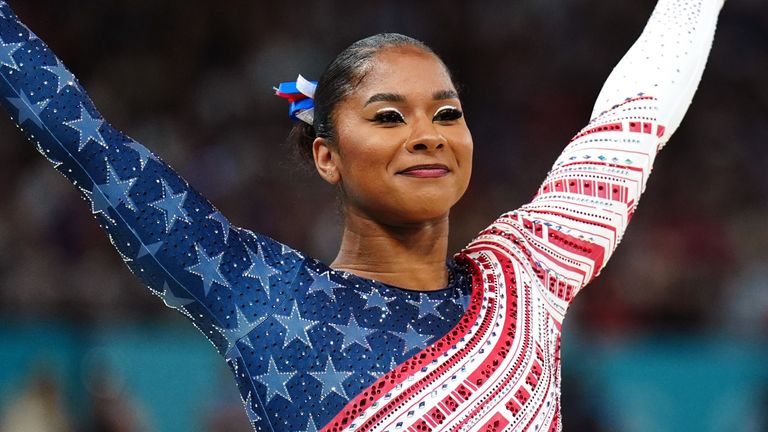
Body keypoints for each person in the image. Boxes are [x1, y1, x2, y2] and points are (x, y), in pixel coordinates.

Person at [0, 0, 724, 430]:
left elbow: (637, 116)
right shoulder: (261, 296)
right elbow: (87, 143)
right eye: (388, 115)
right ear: (326, 156)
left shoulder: (524, 272)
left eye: (448, 112)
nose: (428, 132)